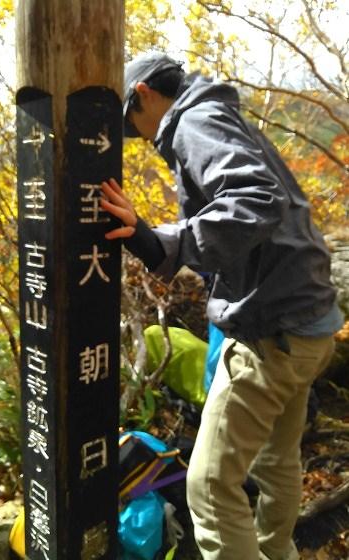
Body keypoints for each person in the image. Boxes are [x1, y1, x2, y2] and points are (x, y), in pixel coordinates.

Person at [100, 51, 343, 560]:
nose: (137, 135)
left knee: (208, 489)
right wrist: (157, 239)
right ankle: (279, 553)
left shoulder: (194, 120)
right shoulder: (218, 113)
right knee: (275, 463)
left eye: (130, 121)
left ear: (144, 92)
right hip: (310, 324)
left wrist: (165, 241)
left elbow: (253, 201)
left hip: (271, 331)